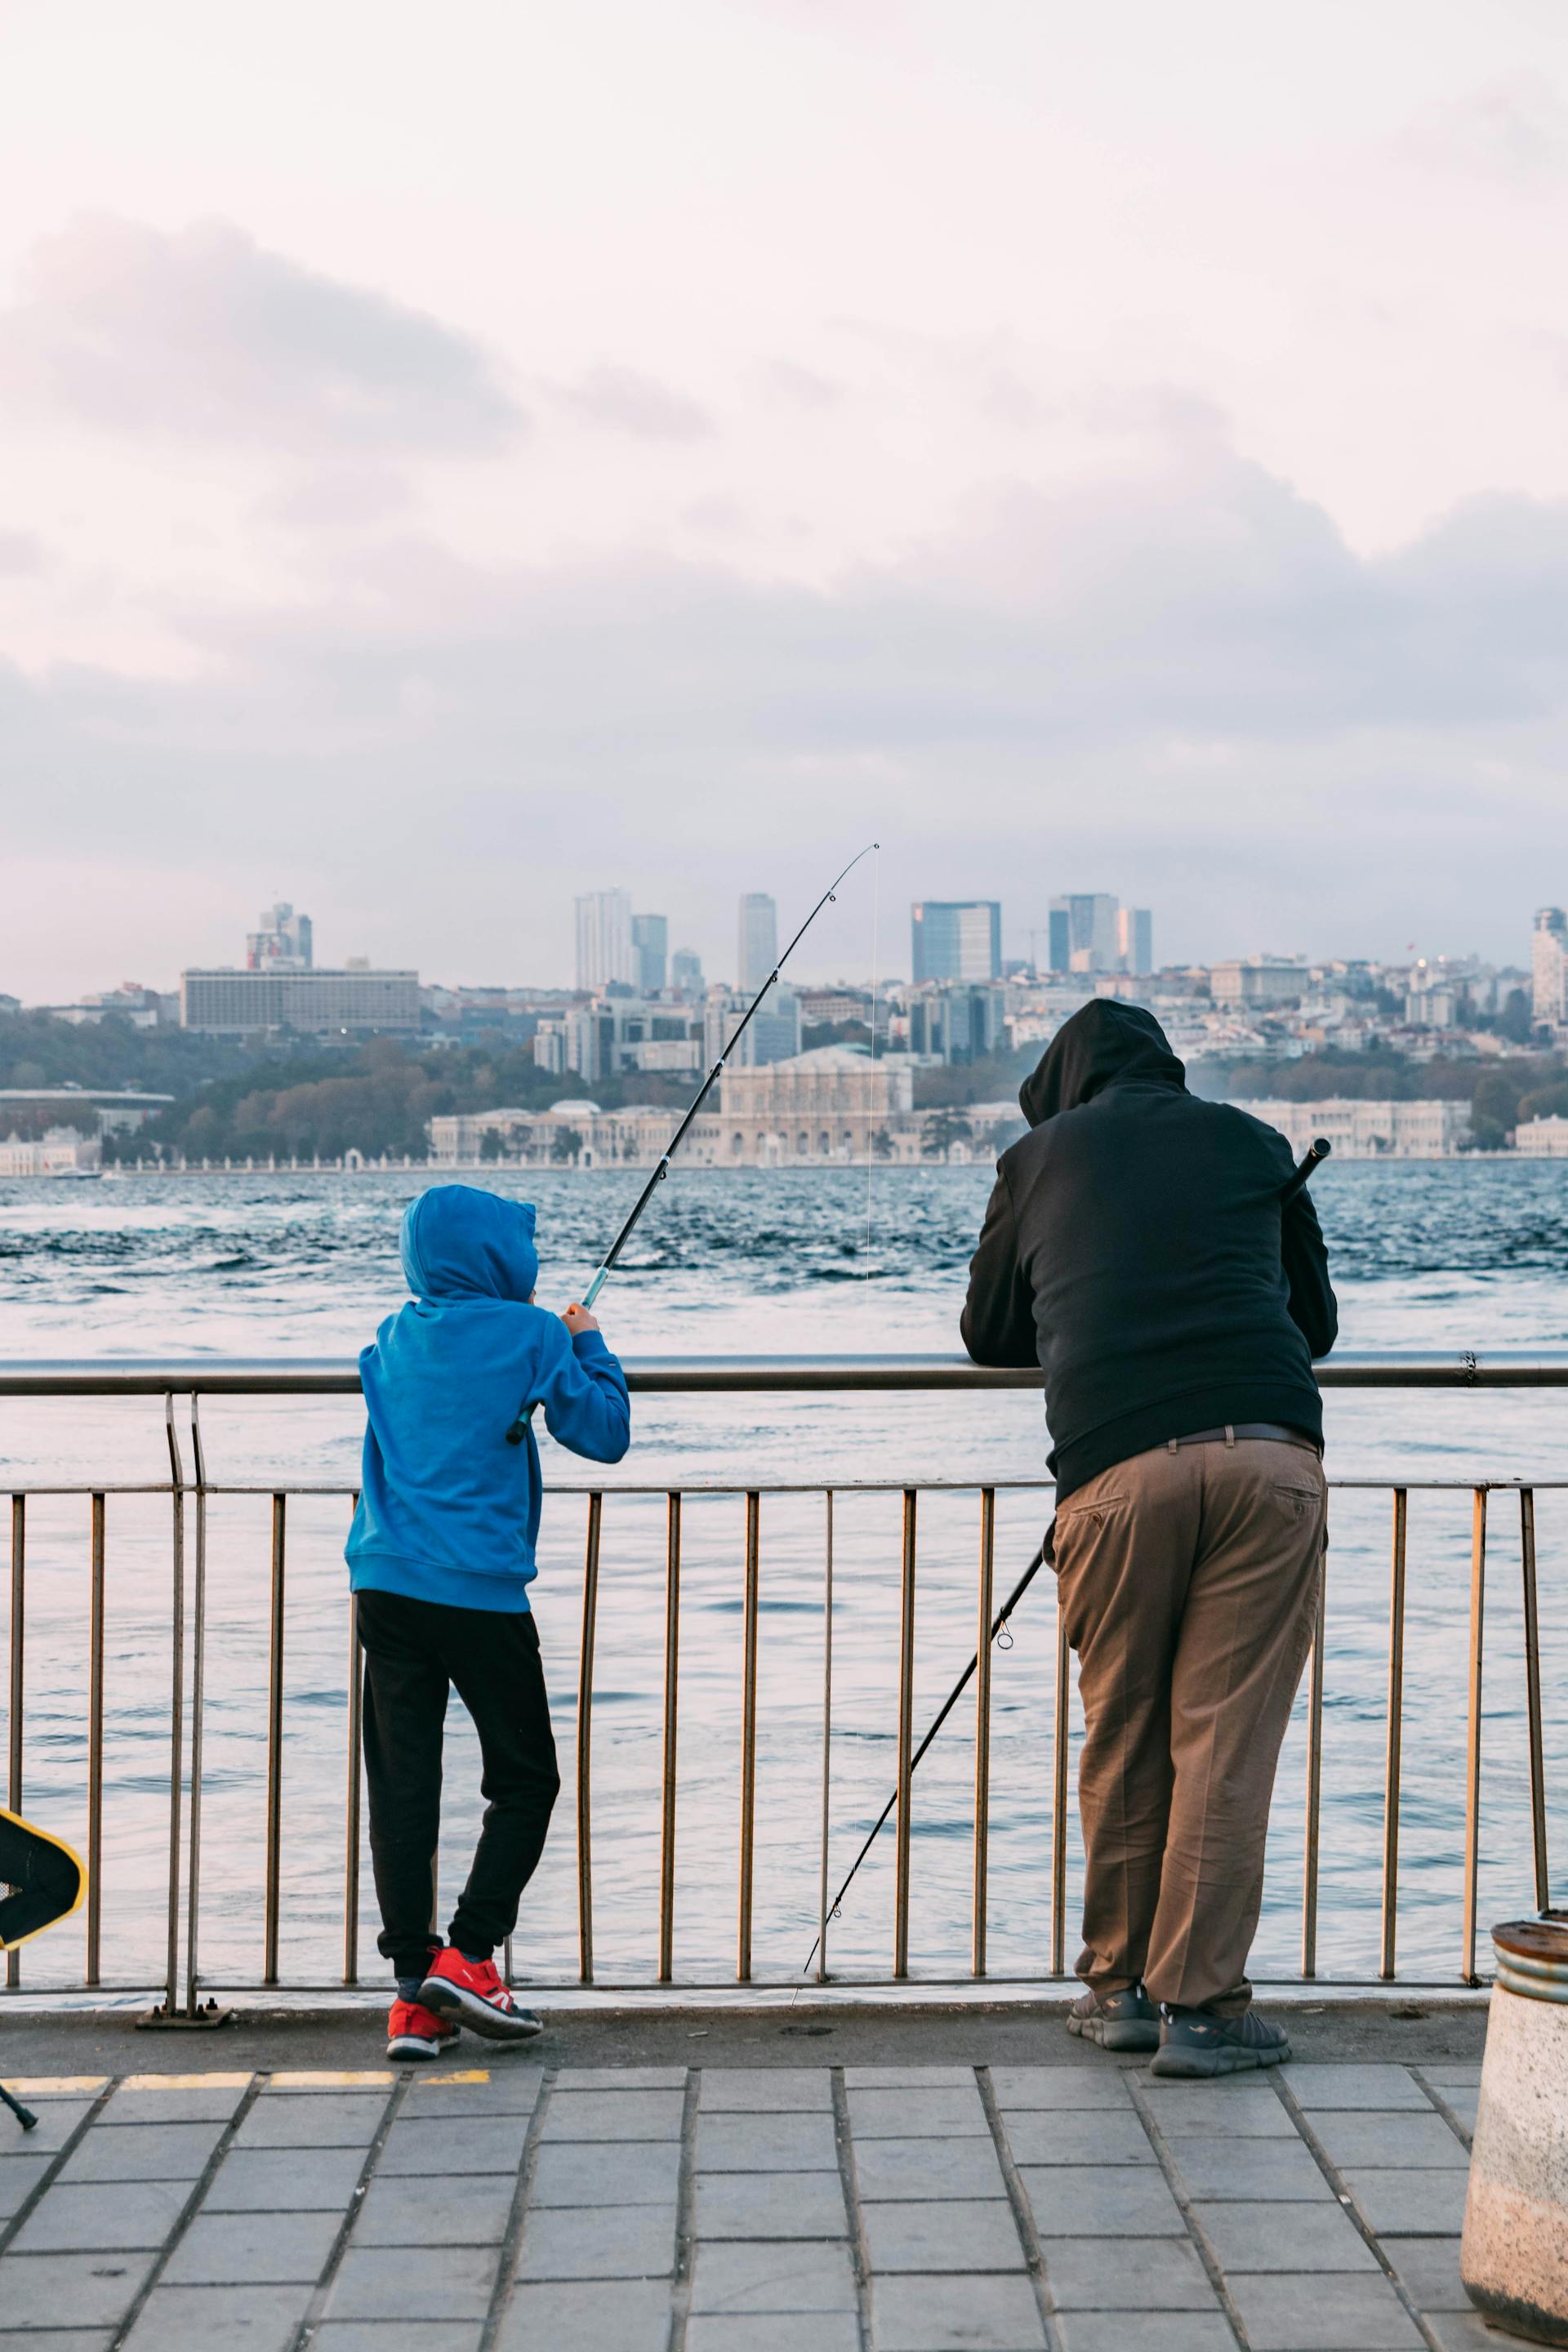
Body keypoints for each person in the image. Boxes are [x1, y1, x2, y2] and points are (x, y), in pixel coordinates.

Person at [961, 1001, 1335, 2078]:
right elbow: (1313, 1322)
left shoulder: (1037, 1157)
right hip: (1266, 1456)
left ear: (1063, 1082)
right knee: (1222, 1742)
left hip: (1117, 1471)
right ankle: (1205, 2012)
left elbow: (988, 1335)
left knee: (1121, 1733)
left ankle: (1118, 1991)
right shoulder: (1255, 1144)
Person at [345, 1183, 630, 2059]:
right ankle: (468, 1956)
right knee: (524, 1779)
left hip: (385, 1586)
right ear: (501, 1257)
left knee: (403, 1788)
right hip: (479, 1595)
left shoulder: (390, 1339)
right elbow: (606, 1432)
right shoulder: (535, 1333)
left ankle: (411, 1997)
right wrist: (590, 1343)